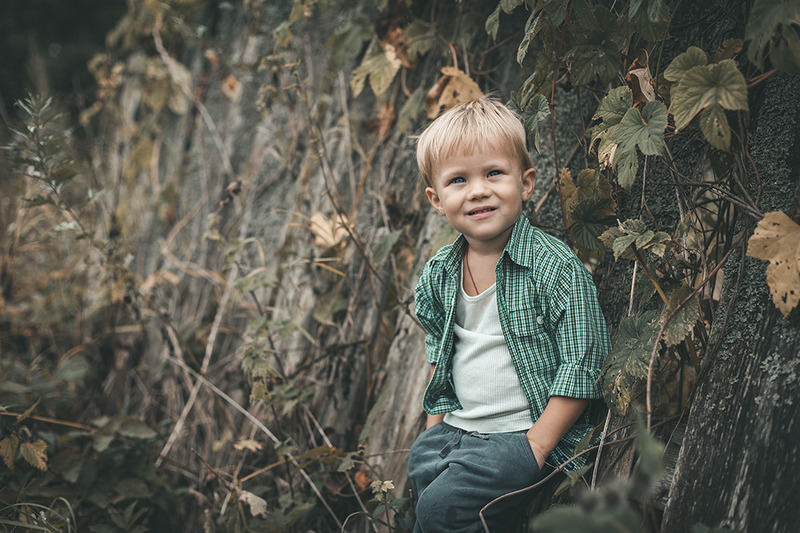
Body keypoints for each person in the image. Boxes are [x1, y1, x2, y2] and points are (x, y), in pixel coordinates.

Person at [408, 97, 610, 533]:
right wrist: (434, 426)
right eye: (458, 180)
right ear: (437, 199)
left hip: (520, 436)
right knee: (422, 483)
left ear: (526, 182)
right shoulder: (439, 273)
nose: (478, 190)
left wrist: (537, 445)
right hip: (453, 430)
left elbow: (583, 360)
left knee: (441, 511)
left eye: (493, 173)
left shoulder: (552, 267)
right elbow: (437, 348)